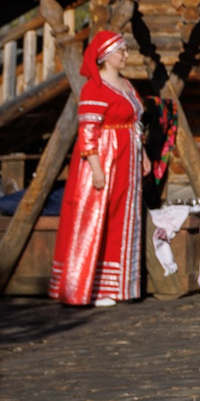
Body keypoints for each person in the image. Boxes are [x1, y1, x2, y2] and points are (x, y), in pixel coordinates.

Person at [51, 28, 144, 306]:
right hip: (105, 158)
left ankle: (113, 286)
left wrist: (145, 157)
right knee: (96, 217)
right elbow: (88, 130)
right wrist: (96, 167)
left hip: (127, 158)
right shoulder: (95, 87)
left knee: (120, 219)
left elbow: (135, 122)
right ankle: (86, 287)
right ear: (105, 56)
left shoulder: (126, 85)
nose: (126, 55)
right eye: (121, 51)